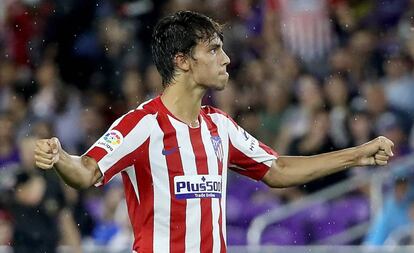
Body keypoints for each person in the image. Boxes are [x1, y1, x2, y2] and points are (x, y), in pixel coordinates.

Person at [34, 11, 395, 253]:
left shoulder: (220, 126)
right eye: (214, 49)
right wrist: (60, 158)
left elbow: (278, 169)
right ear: (182, 60)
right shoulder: (142, 125)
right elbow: (86, 172)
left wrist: (357, 155)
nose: (226, 60)